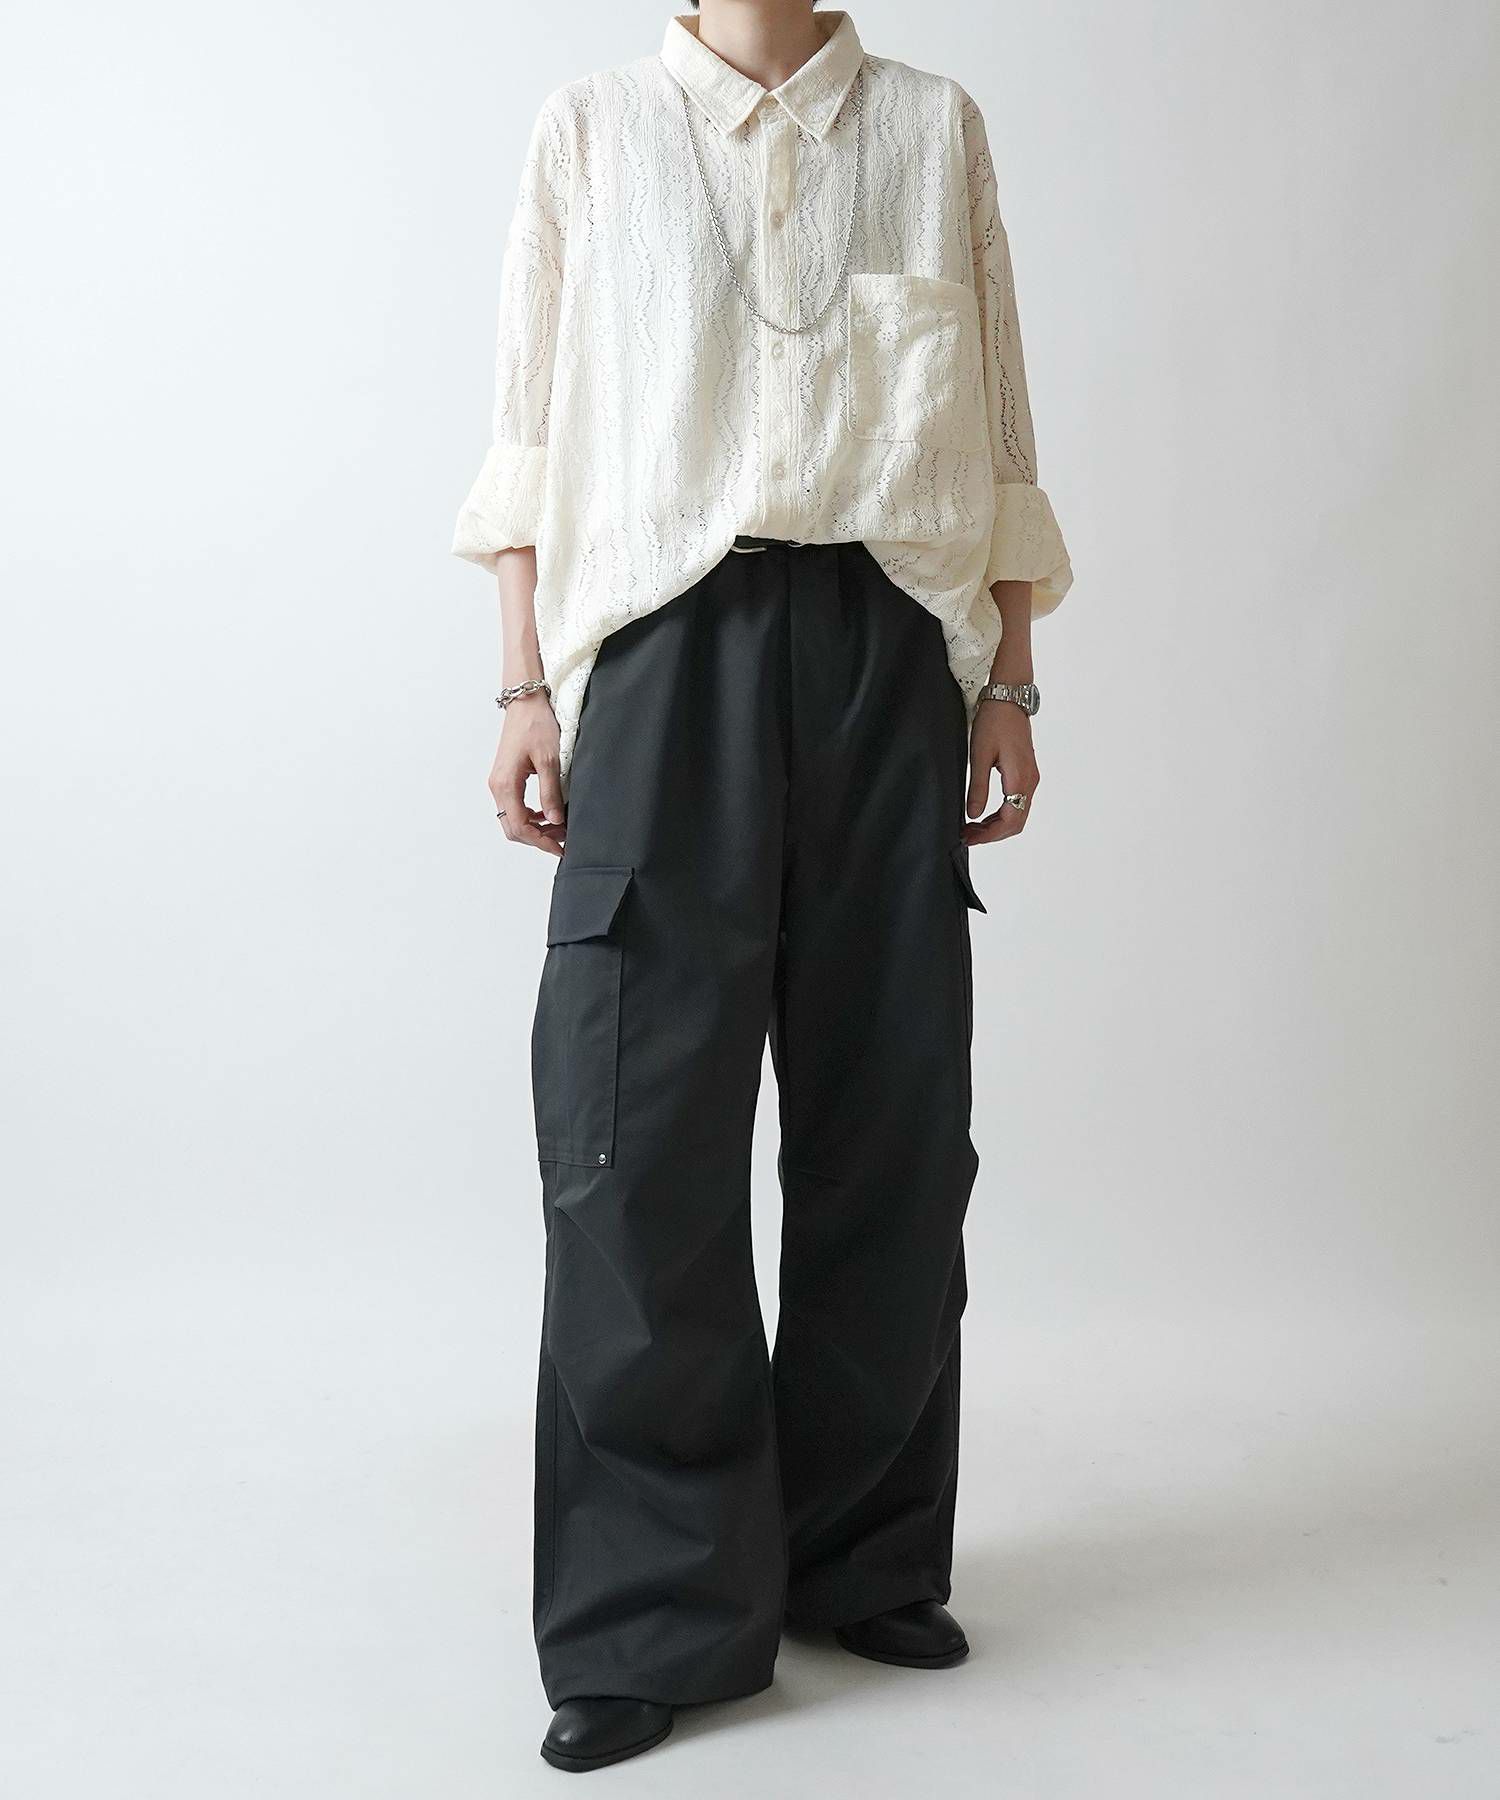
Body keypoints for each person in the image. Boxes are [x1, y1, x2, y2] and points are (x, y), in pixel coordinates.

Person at [452, 0, 1071, 1773]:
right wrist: (523, 688)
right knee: (634, 1136)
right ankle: (649, 1610)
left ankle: (859, 1552)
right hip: (663, 651)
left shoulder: (934, 127)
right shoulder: (591, 131)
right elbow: (528, 432)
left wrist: (1010, 685)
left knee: (894, 1124)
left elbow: (999, 427)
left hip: (890, 650)